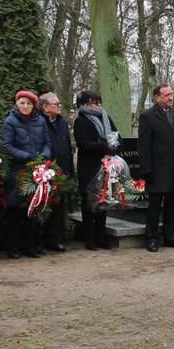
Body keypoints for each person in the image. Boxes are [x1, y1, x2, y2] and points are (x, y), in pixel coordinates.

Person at [138, 84, 174, 252]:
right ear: (157, 97)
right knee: (154, 208)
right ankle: (151, 238)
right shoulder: (147, 116)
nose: (170, 98)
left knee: (172, 207)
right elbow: (143, 146)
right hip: (157, 170)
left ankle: (170, 237)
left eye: (171, 94)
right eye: (166, 95)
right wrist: (147, 169)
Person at [2, 91, 50, 258]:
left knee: (32, 209)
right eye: (22, 103)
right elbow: (7, 146)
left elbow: (47, 142)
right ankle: (13, 248)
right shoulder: (10, 121)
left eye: (28, 103)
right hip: (18, 169)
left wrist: (45, 155)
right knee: (15, 210)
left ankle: (30, 246)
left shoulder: (40, 121)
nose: (25, 106)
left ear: (33, 105)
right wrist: (27, 157)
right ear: (17, 104)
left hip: (36, 169)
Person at [73, 90, 120, 250]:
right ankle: (90, 239)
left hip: (106, 166)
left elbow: (116, 134)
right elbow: (83, 143)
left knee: (103, 202)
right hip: (89, 167)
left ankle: (101, 237)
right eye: (95, 102)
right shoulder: (81, 121)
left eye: (100, 102)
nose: (99, 105)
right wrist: (104, 147)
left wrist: (115, 145)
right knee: (89, 204)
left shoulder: (106, 118)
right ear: (85, 104)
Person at [39, 92, 72, 254]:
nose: (59, 106)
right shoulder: (39, 123)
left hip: (62, 171)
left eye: (59, 103)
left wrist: (70, 172)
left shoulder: (63, 123)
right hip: (45, 171)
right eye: (56, 104)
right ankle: (40, 240)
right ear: (45, 107)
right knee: (43, 206)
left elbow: (67, 148)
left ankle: (55, 239)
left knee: (59, 208)